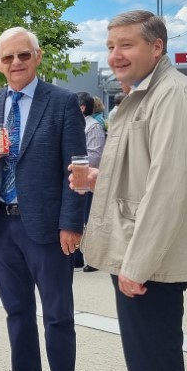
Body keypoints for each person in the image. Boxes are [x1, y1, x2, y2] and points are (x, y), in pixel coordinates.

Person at [77, 10, 187, 371]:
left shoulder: (173, 95)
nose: (115, 55)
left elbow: (168, 188)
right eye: (110, 46)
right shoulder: (145, 94)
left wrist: (137, 265)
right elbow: (143, 171)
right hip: (140, 250)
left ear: (156, 47)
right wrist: (100, 179)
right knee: (146, 358)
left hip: (151, 259)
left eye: (126, 45)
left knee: (153, 362)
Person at [0, 27, 86, 371]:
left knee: (58, 316)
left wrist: (71, 223)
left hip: (48, 229)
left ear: (37, 57)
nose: (16, 62)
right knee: (17, 314)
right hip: (2, 227)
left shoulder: (62, 101)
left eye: (23, 55)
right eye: (8, 57)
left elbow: (76, 167)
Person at [74, 91, 106, 272]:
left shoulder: (93, 126)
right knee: (77, 220)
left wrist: (72, 161)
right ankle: (77, 257)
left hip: (89, 183)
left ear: (82, 107)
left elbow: (94, 156)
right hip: (77, 181)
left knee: (90, 221)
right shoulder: (75, 124)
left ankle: (95, 259)